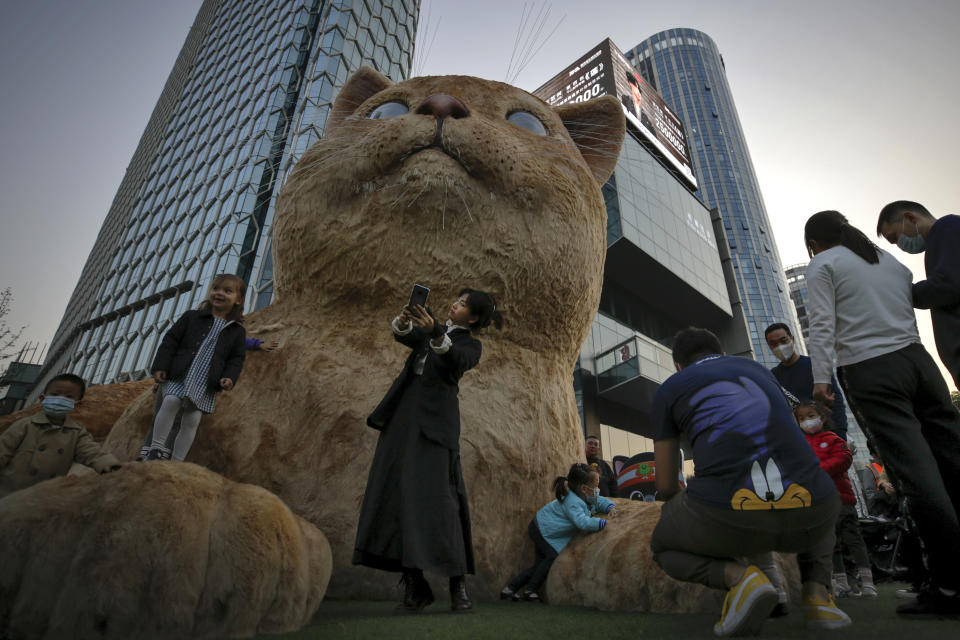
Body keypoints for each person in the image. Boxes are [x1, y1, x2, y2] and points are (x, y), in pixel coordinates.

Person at [804, 210, 960, 616]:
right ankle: (940, 579)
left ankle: (949, 586)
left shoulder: (823, 263)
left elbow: (821, 324)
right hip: (920, 364)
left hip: (871, 370)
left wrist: (821, 379)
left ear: (814, 243)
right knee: (953, 462)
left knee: (917, 476)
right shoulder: (888, 260)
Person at [649, 327, 849, 636]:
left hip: (731, 516)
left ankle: (739, 579)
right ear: (724, 354)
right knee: (815, 490)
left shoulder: (669, 388)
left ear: (678, 365)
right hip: (814, 511)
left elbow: (665, 485)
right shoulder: (760, 371)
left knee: (663, 546)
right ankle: (817, 595)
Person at [353, 288, 503, 614]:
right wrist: (407, 321)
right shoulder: (435, 333)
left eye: (463, 304)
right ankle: (415, 586)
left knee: (444, 501)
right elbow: (405, 336)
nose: (455, 304)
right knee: (397, 496)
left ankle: (457, 584)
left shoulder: (470, 345)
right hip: (403, 418)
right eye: (457, 300)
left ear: (473, 318)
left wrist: (435, 330)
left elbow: (454, 361)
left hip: (436, 427)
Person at [144, 274, 247, 461]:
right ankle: (155, 449)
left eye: (227, 291)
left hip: (206, 381)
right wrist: (161, 366)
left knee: (192, 419)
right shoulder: (192, 317)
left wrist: (229, 377)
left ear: (238, 300)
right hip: (179, 373)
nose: (219, 293)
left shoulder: (237, 331)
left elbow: (236, 358)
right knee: (170, 402)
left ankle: (177, 460)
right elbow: (170, 340)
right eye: (216, 289)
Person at [137, 334, 278, 461]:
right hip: (174, 379)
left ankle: (163, 456)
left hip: (192, 383)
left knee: (178, 419)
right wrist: (159, 378)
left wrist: (258, 344)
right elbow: (172, 353)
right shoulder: (191, 333)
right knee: (163, 415)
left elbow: (238, 340)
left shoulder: (220, 333)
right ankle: (148, 454)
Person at [500, 463, 616, 603]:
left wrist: (610, 507)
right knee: (551, 557)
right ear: (584, 488)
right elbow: (582, 522)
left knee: (539, 565)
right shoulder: (573, 502)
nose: (598, 490)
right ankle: (530, 591)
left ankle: (510, 589)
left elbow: (598, 501)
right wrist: (601, 523)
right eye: (596, 486)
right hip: (542, 529)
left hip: (544, 527)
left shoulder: (584, 495)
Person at [794, 402, 876, 598]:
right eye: (802, 419)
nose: (807, 421)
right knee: (832, 543)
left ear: (822, 418)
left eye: (811, 415)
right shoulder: (800, 444)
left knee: (853, 539)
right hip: (819, 502)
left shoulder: (833, 438)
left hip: (842, 498)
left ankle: (867, 582)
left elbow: (844, 458)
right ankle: (842, 584)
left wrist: (818, 470)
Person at [876, 200, 960, 389]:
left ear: (910, 217)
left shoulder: (947, 227)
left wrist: (901, 291)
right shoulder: (937, 243)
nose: (899, 245)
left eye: (895, 236)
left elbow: (948, 285)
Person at [0, 373, 122, 498]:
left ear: (76, 405)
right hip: (8, 495)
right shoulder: (24, 425)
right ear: (42, 399)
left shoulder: (76, 431)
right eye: (55, 394)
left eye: (68, 397)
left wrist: (109, 464)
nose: (60, 399)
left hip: (45, 498)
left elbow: (91, 452)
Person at [764, 323, 848, 441]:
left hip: (828, 434)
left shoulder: (814, 365)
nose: (780, 346)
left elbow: (836, 399)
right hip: (799, 440)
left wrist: (840, 434)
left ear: (792, 339)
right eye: (773, 344)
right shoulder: (773, 377)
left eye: (783, 340)